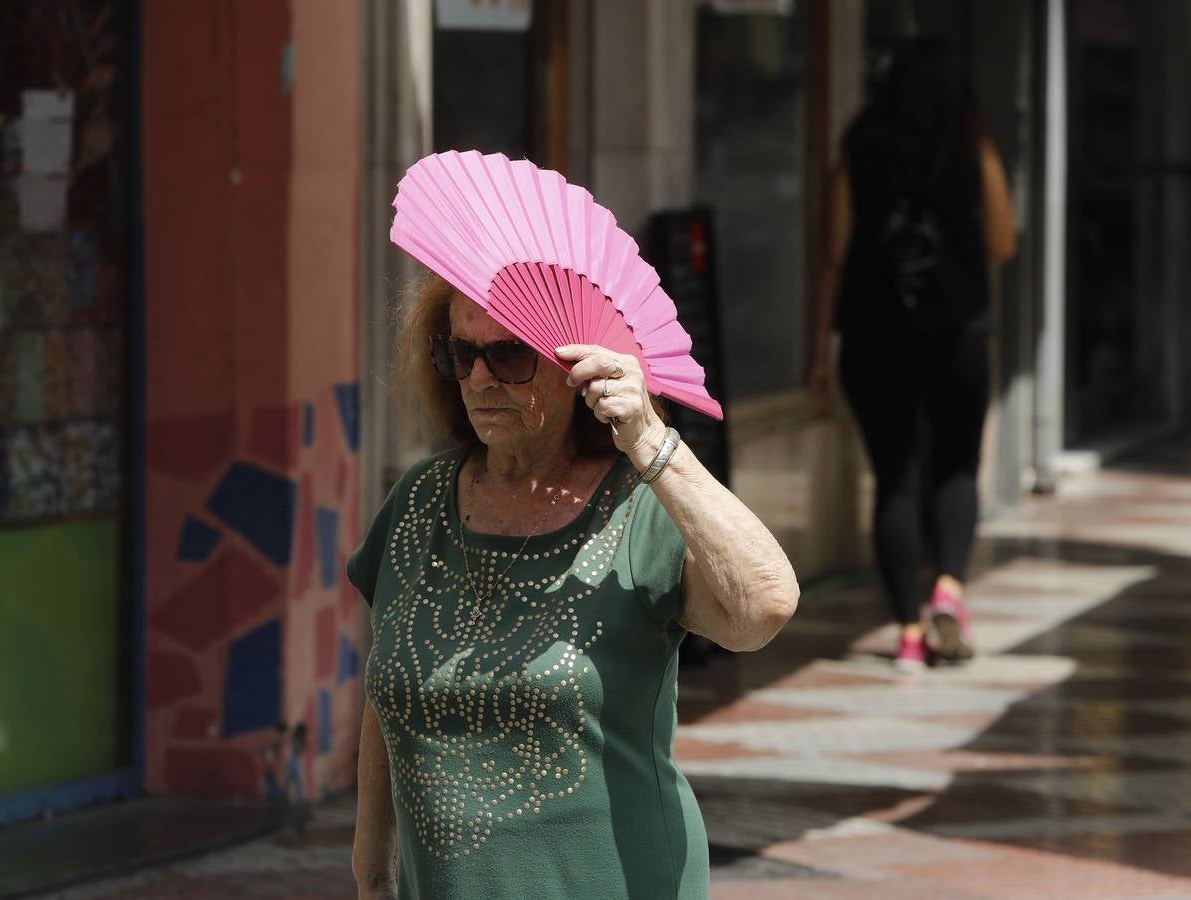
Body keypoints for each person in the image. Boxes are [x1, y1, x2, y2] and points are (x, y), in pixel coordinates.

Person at [348, 276, 800, 899]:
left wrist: (648, 439)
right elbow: (389, 679)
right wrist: (372, 869)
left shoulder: (639, 509)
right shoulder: (418, 503)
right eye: (460, 353)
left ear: (575, 367)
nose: (480, 379)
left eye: (508, 355)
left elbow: (763, 607)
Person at [808, 38, 1017, 671]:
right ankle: (949, 592)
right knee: (956, 465)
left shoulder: (857, 151)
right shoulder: (972, 147)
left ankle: (905, 631)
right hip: (955, 334)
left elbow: (834, 257)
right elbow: (1003, 242)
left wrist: (820, 351)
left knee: (893, 476)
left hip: (873, 336)